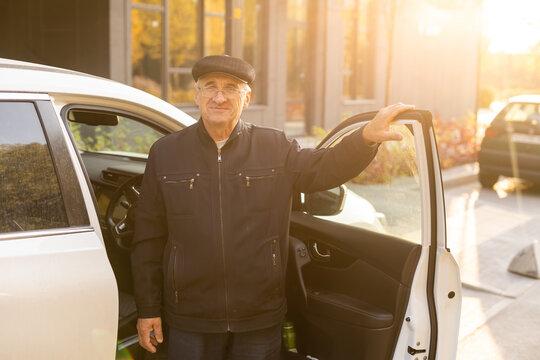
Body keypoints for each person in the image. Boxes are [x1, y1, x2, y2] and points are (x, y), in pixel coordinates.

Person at [131, 54, 414, 360]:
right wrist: (148, 309)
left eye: (231, 88)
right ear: (196, 95)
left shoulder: (274, 147)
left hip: (259, 314)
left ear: (247, 98)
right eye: (210, 87)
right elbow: (148, 238)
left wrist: (365, 138)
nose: (220, 97)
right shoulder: (166, 153)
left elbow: (323, 168)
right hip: (190, 315)